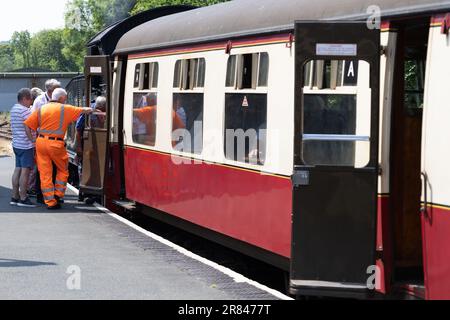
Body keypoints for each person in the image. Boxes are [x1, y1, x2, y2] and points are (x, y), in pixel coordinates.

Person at [24, 88, 93, 210]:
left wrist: (32, 140)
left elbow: (28, 124)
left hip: (41, 143)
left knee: (45, 173)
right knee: (63, 170)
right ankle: (58, 195)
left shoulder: (42, 109)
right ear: (61, 98)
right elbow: (85, 110)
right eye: (65, 98)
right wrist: (94, 109)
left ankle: (50, 202)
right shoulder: (65, 108)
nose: (65, 100)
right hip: (56, 144)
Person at [10, 88, 36, 208]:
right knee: (25, 172)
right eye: (30, 99)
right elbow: (29, 127)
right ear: (25, 98)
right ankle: (23, 198)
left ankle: (14, 197)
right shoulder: (25, 111)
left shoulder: (14, 109)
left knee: (17, 170)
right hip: (26, 145)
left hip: (17, 144)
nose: (31, 102)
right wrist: (33, 140)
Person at [27, 88, 43, 197]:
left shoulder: (29, 109)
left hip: (31, 142)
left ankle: (29, 186)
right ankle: (30, 187)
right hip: (33, 142)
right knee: (33, 166)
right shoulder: (33, 111)